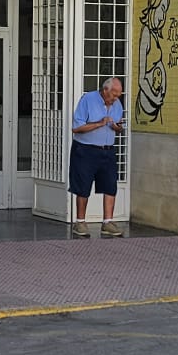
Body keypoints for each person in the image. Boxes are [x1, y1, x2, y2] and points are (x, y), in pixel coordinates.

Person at [69, 77, 125, 237]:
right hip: (85, 150)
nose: (116, 98)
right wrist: (99, 123)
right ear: (105, 90)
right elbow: (76, 127)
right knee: (83, 184)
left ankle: (107, 222)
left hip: (107, 150)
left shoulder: (117, 104)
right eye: (114, 94)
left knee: (110, 185)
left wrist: (117, 128)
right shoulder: (88, 99)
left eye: (118, 95)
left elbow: (118, 126)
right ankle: (80, 222)